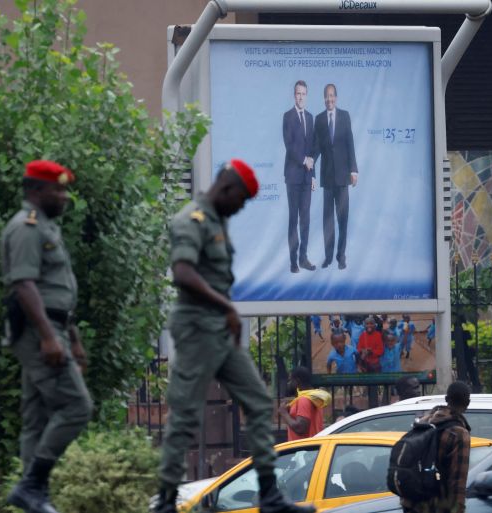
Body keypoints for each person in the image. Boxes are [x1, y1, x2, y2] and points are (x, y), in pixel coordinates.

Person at [152, 160, 315, 513]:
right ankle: (164, 502)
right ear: (227, 187)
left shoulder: (218, 221)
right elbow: (182, 273)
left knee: (257, 402)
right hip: (197, 327)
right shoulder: (191, 219)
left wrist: (225, 311)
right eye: (240, 200)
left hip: (220, 331)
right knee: (184, 414)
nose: (240, 208)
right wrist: (225, 306)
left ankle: (269, 495)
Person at [0, 160, 93, 513]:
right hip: (38, 330)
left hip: (53, 327)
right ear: (35, 190)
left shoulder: (46, 228)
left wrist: (72, 338)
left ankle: (33, 497)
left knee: (36, 417)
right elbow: (24, 285)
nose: (64, 197)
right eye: (58, 189)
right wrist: (48, 338)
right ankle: (32, 485)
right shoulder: (26, 228)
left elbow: (56, 292)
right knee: (76, 406)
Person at [400, 382, 472, 513]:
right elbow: (458, 484)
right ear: (467, 403)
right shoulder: (459, 434)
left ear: (446, 399)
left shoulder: (422, 423)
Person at [311, 83, 357, 270]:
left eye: (332, 96)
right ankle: (328, 257)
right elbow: (316, 148)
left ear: (336, 98)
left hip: (343, 178)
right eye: (326, 96)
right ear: (324, 98)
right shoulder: (319, 119)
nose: (329, 99)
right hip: (327, 179)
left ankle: (341, 256)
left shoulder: (345, 116)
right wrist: (309, 162)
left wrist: (354, 170)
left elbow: (350, 144)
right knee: (327, 220)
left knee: (343, 219)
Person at [283, 80, 316, 273]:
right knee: (293, 219)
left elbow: (312, 148)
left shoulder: (310, 118)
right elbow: (289, 146)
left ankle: (304, 258)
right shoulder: (287, 117)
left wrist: (312, 175)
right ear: (294, 95)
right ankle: (293, 261)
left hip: (306, 178)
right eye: (298, 93)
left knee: (306, 219)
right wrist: (304, 160)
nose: (301, 97)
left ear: (306, 95)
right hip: (293, 176)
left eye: (303, 93)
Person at [278, 367, 330, 440]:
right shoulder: (313, 398)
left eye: (290, 380)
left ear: (297, 381)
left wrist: (284, 413)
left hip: (302, 449)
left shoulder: (304, 400)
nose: (288, 383)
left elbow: (300, 428)